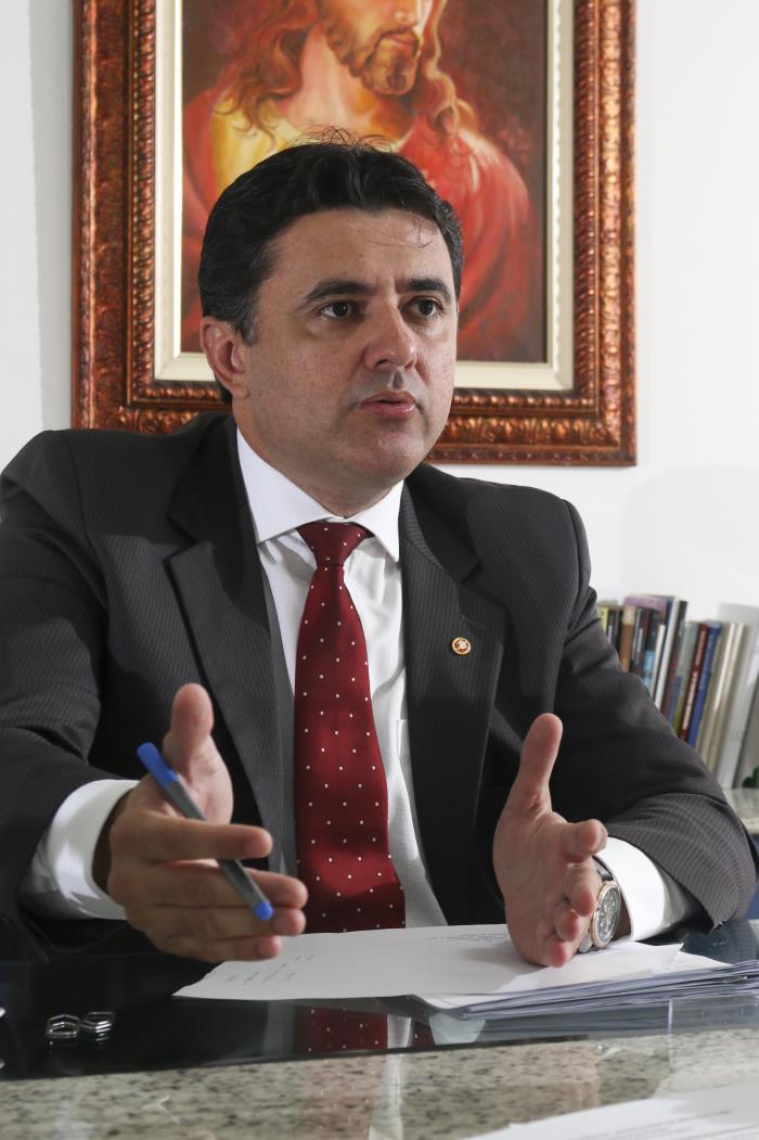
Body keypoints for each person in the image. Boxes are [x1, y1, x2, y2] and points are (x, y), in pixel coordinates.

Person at [1, 139, 756, 967]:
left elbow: (694, 818)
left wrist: (594, 893)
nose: (399, 347)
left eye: (424, 307)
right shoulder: (91, 503)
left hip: (468, 1020)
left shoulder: (522, 544)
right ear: (230, 355)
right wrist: (111, 838)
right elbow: (16, 750)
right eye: (339, 309)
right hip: (191, 1016)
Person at [182, 0, 541, 362]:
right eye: (341, 310)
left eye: (425, 307)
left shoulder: (487, 187)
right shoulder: (198, 141)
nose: (413, 15)